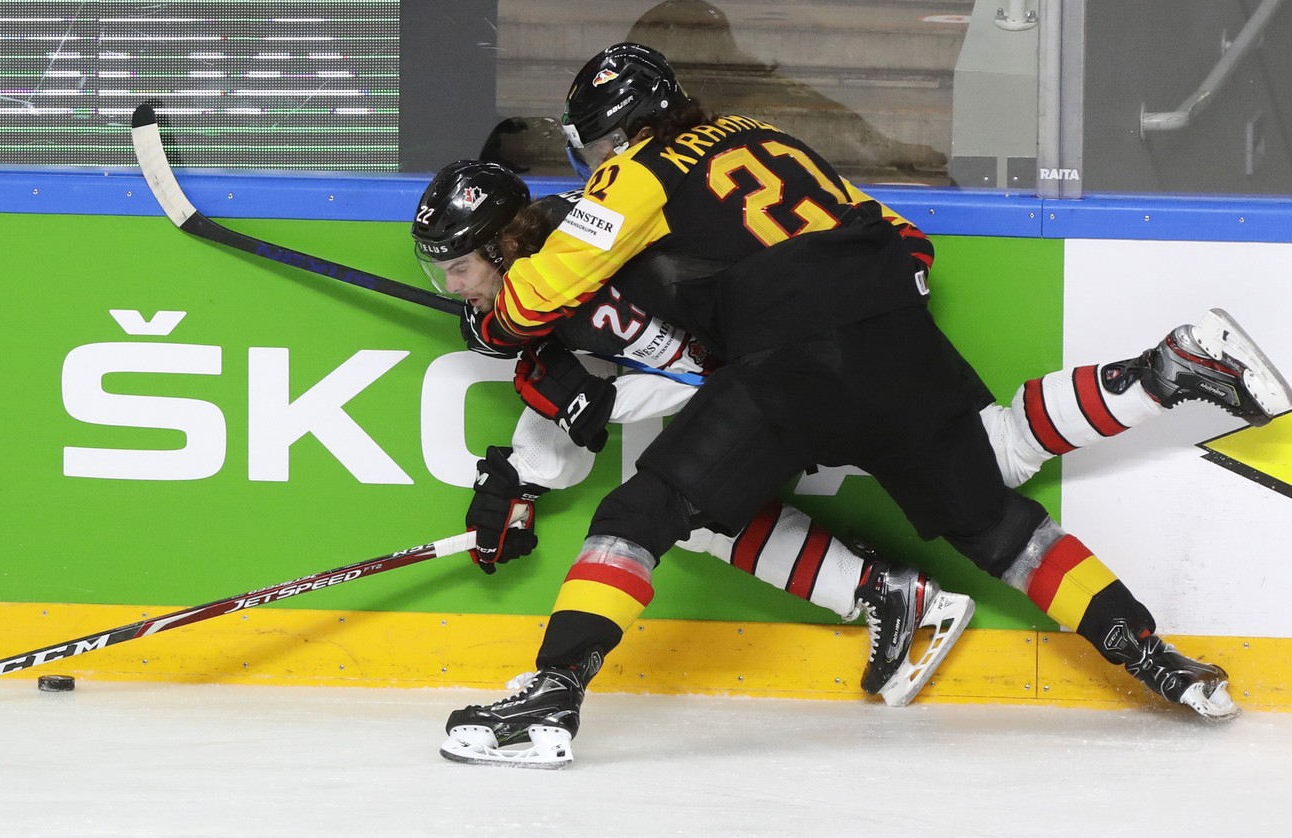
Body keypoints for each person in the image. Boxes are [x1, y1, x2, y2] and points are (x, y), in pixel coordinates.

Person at [435, 43, 1292, 768]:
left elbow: (538, 293)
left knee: (644, 509)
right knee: (995, 524)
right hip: (890, 328)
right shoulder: (774, 138)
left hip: (794, 355)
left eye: (596, 150)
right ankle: (1155, 654)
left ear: (618, 134)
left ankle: (548, 698)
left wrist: (493, 323)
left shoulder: (638, 173)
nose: (594, 167)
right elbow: (899, 234)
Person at [414, 159, 975, 710]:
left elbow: (671, 367)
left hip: (824, 373)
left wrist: (576, 406)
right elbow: (610, 378)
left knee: (667, 503)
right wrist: (522, 475)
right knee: (692, 512)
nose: (450, 284)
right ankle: (882, 588)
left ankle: (557, 688)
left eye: (460, 266)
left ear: (503, 248)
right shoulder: (551, 285)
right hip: (776, 383)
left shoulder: (598, 242)